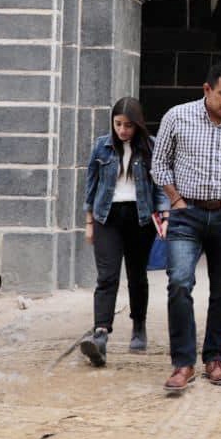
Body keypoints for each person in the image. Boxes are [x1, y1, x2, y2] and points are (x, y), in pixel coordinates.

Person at [151, 60, 221, 396]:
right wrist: (174, 200)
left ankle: (214, 358)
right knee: (179, 283)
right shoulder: (178, 116)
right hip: (187, 214)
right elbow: (160, 164)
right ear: (207, 90)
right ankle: (183, 363)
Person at [80, 96, 169, 366]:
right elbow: (91, 185)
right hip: (107, 216)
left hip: (140, 218)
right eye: (118, 124)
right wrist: (89, 222)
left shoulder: (150, 147)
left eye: (128, 125)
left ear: (137, 125)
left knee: (136, 276)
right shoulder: (102, 146)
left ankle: (138, 326)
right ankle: (100, 334)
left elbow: (160, 185)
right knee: (107, 276)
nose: (122, 130)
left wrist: (164, 214)